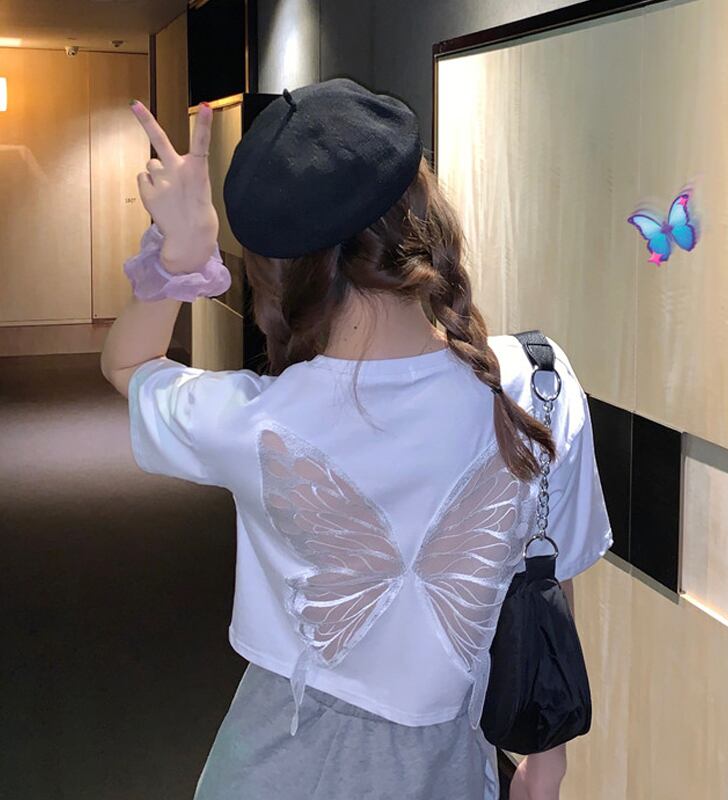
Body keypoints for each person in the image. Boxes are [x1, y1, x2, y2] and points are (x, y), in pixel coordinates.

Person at [101, 79, 612, 800]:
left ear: (279, 272)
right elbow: (547, 577)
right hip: (447, 767)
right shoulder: (538, 384)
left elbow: (127, 367)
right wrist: (545, 759)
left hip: (275, 757)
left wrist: (180, 259)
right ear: (424, 216)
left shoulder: (256, 420)